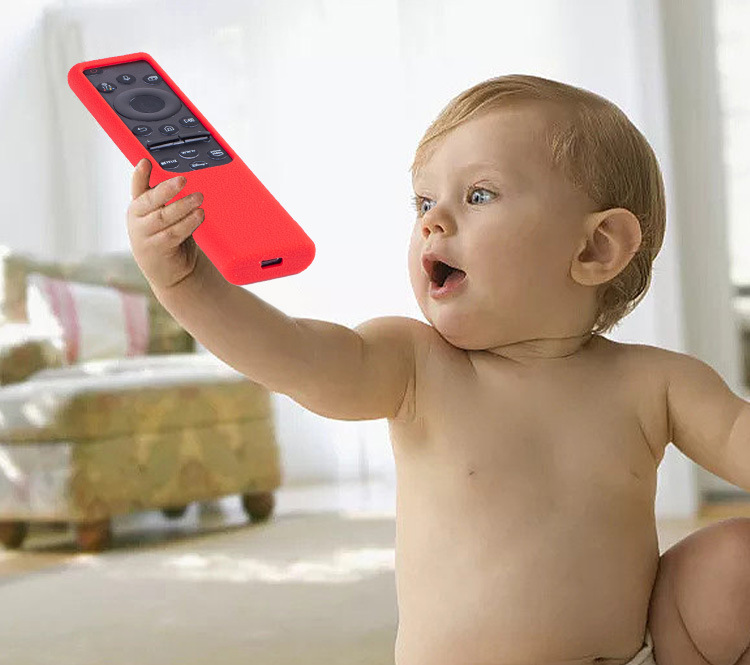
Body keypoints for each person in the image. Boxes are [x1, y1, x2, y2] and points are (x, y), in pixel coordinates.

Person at [127, 74, 750, 665]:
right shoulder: (415, 365)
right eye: (424, 201)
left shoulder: (657, 382)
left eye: (479, 195)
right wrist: (186, 283)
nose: (432, 220)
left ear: (596, 247)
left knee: (735, 560)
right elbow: (292, 354)